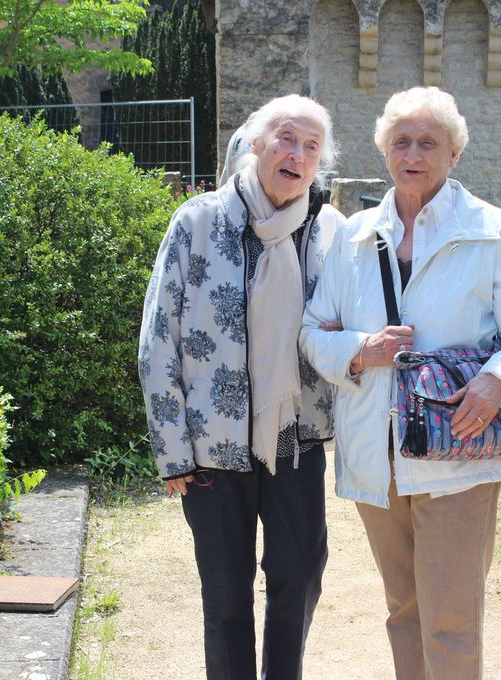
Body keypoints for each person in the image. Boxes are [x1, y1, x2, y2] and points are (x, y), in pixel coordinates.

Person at [300, 86, 501, 679]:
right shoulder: (357, 236)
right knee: (403, 609)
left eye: (428, 142)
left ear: (454, 154)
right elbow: (313, 331)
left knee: (452, 618)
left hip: (458, 447)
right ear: (386, 151)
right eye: (401, 142)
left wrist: (498, 382)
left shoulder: (490, 231)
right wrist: (359, 349)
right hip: (376, 449)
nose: (413, 154)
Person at [138, 94, 346, 680]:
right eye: (285, 138)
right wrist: (172, 450)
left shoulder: (328, 231)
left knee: (301, 572)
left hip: (296, 438)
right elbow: (159, 341)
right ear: (255, 144)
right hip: (212, 448)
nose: (297, 154)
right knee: (227, 593)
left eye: (311, 146)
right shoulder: (198, 221)